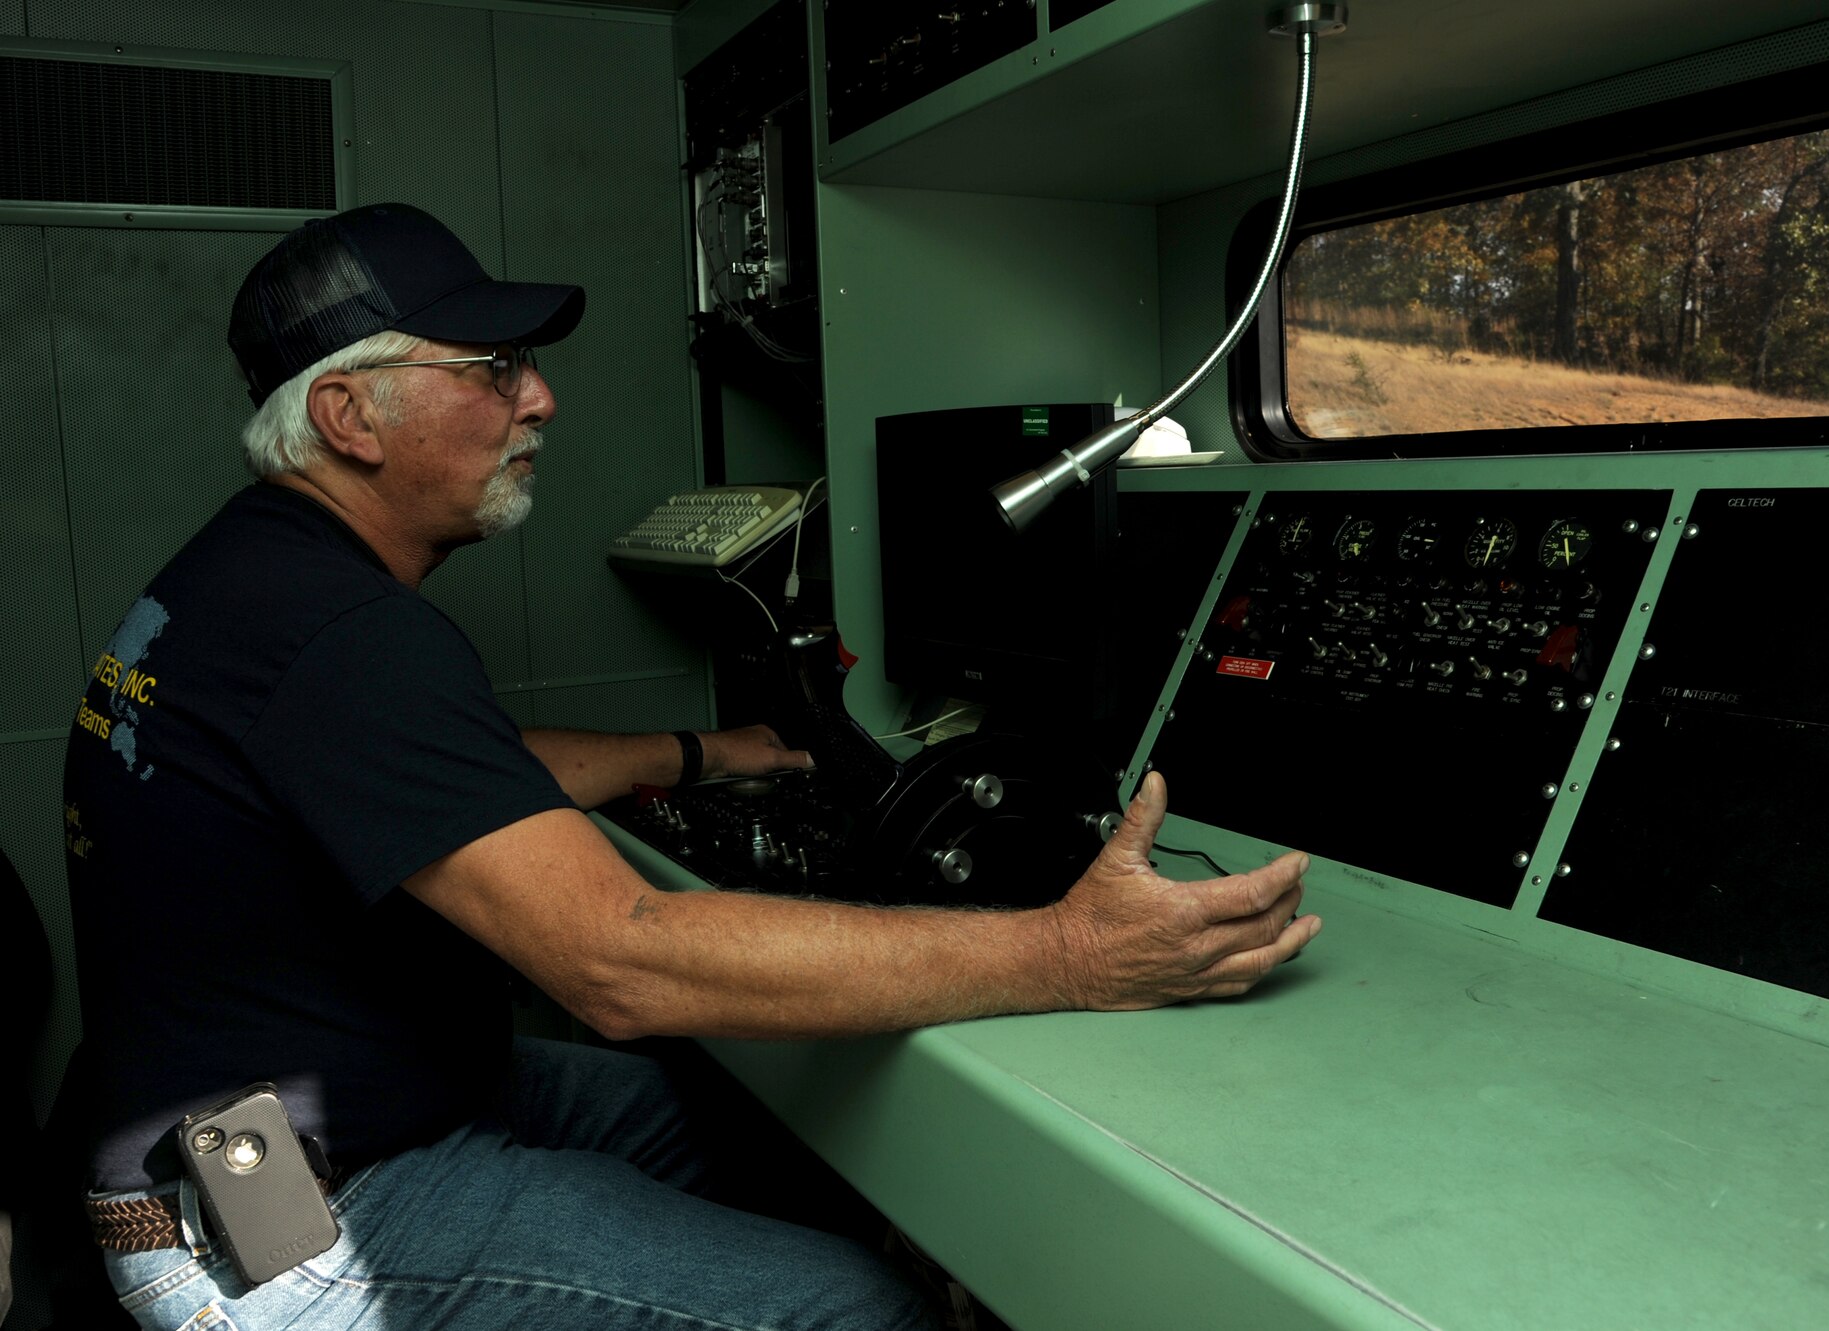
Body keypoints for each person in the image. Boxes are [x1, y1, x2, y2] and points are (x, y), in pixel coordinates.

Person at [60, 202, 1321, 1331]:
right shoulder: (340, 631)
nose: (540, 397)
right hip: (285, 1233)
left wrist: (702, 753)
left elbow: (457, 766)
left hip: (309, 1121)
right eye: (494, 369)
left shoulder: (252, 579)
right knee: (851, 1304)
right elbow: (619, 959)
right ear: (347, 415)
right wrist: (1071, 953)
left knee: (754, 1122)